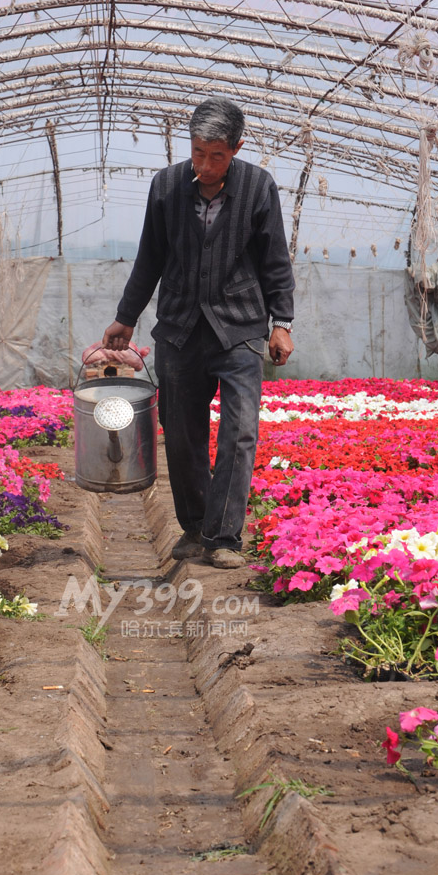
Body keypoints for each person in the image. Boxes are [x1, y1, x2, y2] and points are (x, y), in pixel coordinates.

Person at [102, 97, 295, 569]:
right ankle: (195, 528)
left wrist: (282, 323)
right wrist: (126, 316)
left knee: (239, 431)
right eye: (198, 152)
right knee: (182, 431)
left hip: (241, 329)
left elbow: (276, 260)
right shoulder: (166, 187)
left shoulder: (258, 187)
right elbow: (150, 256)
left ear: (237, 149)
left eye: (217, 156)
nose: (205, 165)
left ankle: (225, 537)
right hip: (180, 328)